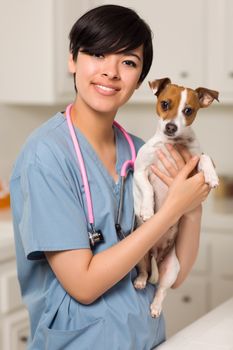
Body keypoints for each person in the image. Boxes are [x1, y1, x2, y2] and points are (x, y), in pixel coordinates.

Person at [10, 4, 210, 350]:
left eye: (128, 62)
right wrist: (171, 210)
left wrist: (191, 206)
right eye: (98, 54)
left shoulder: (139, 151)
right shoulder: (47, 156)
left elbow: (176, 277)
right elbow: (83, 285)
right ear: (73, 60)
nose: (111, 72)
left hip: (144, 338)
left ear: (140, 81)